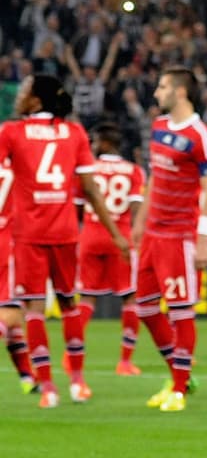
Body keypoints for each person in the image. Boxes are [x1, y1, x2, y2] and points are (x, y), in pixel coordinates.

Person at [0, 74, 128, 407]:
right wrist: (116, 234)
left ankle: (47, 388)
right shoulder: (74, 133)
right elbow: (91, 190)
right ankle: (78, 382)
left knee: (34, 309)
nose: (19, 95)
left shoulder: (12, 132)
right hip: (66, 232)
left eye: (25, 90)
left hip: (27, 235)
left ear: (36, 99)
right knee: (69, 305)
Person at [134, 67, 207, 413]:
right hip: (153, 234)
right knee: (144, 307)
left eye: (162, 86)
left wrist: (204, 238)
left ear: (180, 92)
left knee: (181, 311)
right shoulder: (158, 127)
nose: (157, 92)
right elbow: (154, 178)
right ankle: (178, 375)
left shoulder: (201, 136)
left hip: (179, 236)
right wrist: (140, 222)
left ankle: (180, 388)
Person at [74, 122, 146, 376]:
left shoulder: (87, 169)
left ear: (105, 143)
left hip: (90, 235)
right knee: (130, 297)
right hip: (121, 238)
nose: (93, 146)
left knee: (86, 298)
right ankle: (125, 361)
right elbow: (136, 208)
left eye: (96, 142)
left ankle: (71, 356)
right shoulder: (133, 171)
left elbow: (78, 206)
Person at [0, 156, 36, 394]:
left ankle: (27, 377)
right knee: (10, 313)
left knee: (13, 320)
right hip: (8, 243)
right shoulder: (18, 168)